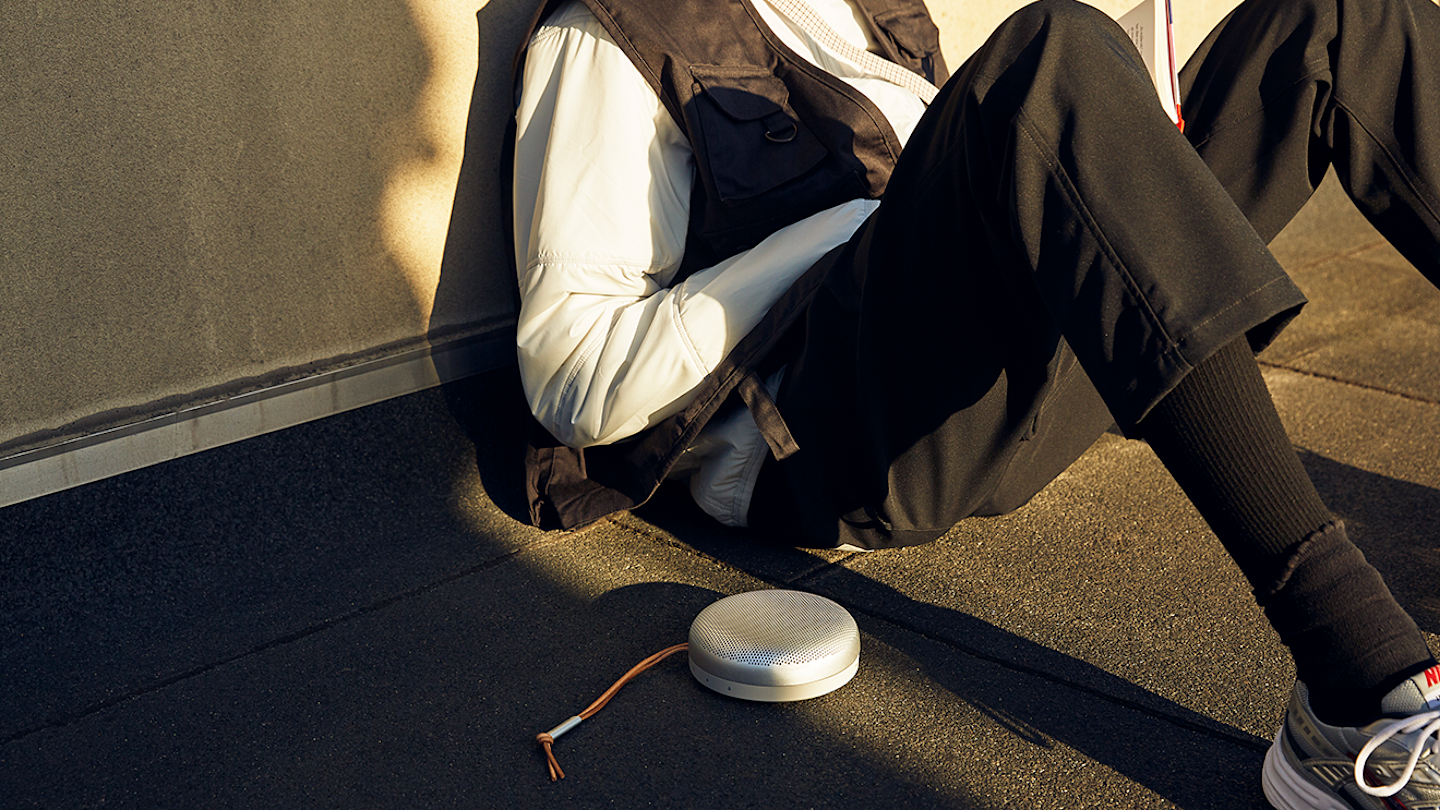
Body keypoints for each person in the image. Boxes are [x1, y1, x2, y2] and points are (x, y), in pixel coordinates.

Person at [506, 0, 1440, 804]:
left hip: (992, 374)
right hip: (834, 443)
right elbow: (572, 374)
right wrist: (854, 222)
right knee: (1048, 51)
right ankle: (1355, 686)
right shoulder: (609, 36)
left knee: (1342, 21)